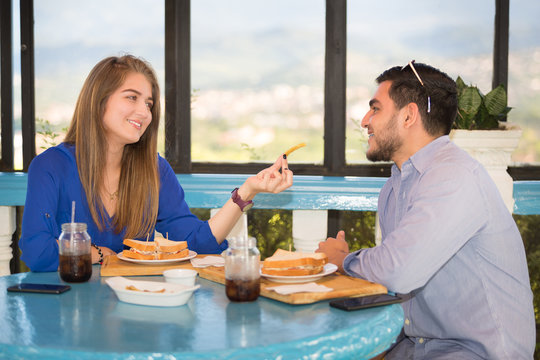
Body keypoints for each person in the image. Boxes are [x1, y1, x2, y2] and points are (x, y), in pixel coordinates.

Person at [317, 61, 535, 359]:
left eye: (376, 108)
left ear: (409, 116)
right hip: (416, 347)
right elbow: (397, 277)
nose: (365, 120)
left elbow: (398, 270)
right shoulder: (394, 188)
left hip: (476, 353)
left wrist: (343, 260)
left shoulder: (454, 176)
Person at [20, 54, 293, 272]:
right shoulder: (50, 166)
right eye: (131, 97)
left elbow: (199, 242)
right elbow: (37, 252)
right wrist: (100, 254)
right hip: (68, 314)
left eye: (149, 104)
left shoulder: (153, 168)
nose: (144, 112)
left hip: (132, 309)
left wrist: (247, 191)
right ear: (98, 102)